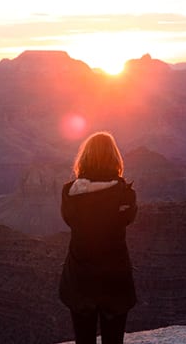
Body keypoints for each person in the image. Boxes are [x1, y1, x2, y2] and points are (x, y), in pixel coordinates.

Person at [59, 131, 138, 344]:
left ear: (83, 158)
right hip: (115, 280)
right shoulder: (125, 194)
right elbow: (127, 219)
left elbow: (70, 220)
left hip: (80, 279)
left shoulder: (70, 193)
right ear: (115, 158)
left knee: (84, 340)